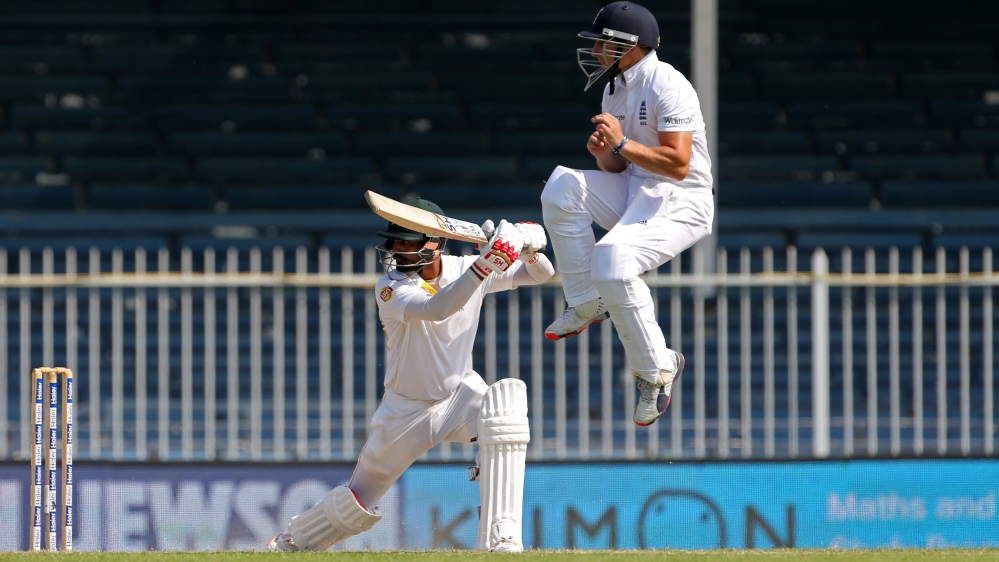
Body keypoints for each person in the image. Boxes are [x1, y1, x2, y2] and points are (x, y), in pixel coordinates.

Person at [267, 198, 554, 552]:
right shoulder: (390, 287)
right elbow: (436, 308)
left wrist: (525, 249)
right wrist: (487, 261)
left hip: (459, 394)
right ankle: (295, 541)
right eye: (395, 242)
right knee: (359, 497)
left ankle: (501, 535)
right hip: (406, 409)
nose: (397, 249)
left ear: (435, 242)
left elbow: (542, 274)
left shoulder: (465, 267)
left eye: (407, 242)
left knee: (504, 417)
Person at [541, 1, 714, 427]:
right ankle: (585, 302)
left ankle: (658, 369)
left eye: (604, 41)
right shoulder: (614, 86)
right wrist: (606, 156)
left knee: (613, 260)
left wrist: (620, 145)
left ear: (631, 46)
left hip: (681, 199)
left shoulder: (668, 83)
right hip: (637, 189)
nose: (597, 49)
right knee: (562, 187)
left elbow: (677, 164)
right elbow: (623, 165)